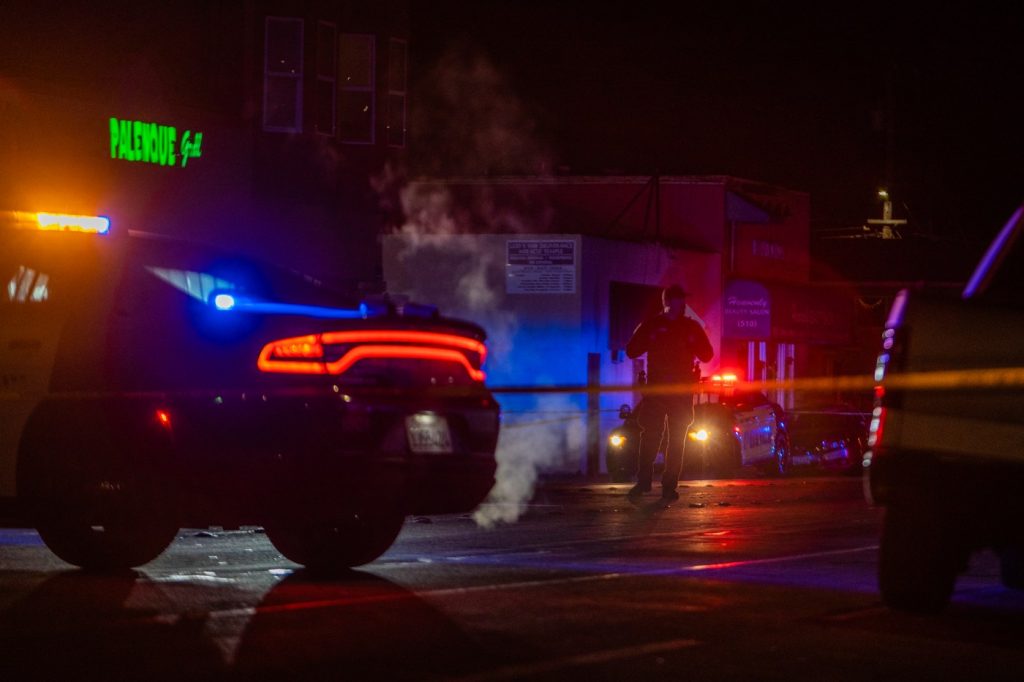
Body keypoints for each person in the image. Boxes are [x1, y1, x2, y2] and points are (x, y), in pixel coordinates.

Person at [625, 284, 714, 503]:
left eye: (682, 300)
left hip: (678, 392)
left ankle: (667, 485)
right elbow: (632, 350)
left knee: (675, 440)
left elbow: (707, 355)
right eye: (678, 300)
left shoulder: (689, 327)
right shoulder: (655, 325)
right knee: (652, 438)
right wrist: (644, 331)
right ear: (669, 302)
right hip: (659, 392)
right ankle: (645, 481)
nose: (682, 304)